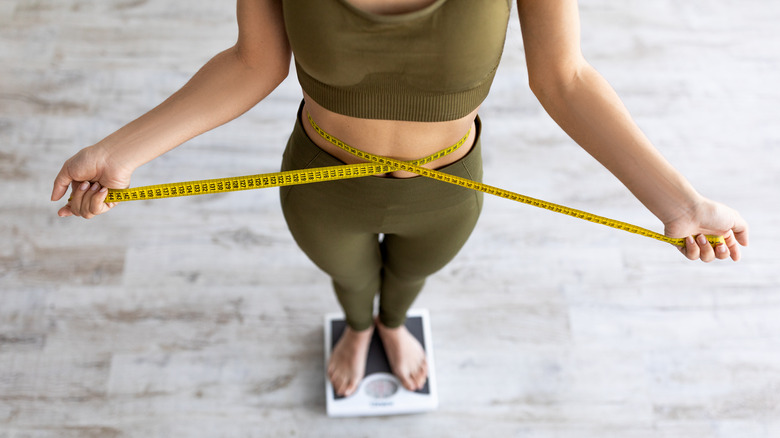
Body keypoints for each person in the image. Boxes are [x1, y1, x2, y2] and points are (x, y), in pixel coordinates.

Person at [51, 0, 749, 398]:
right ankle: (361, 327)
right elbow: (252, 63)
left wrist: (679, 201)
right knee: (349, 280)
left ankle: (392, 323)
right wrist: (119, 154)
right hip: (320, 186)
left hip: (448, 189)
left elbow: (563, 78)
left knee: (409, 280)